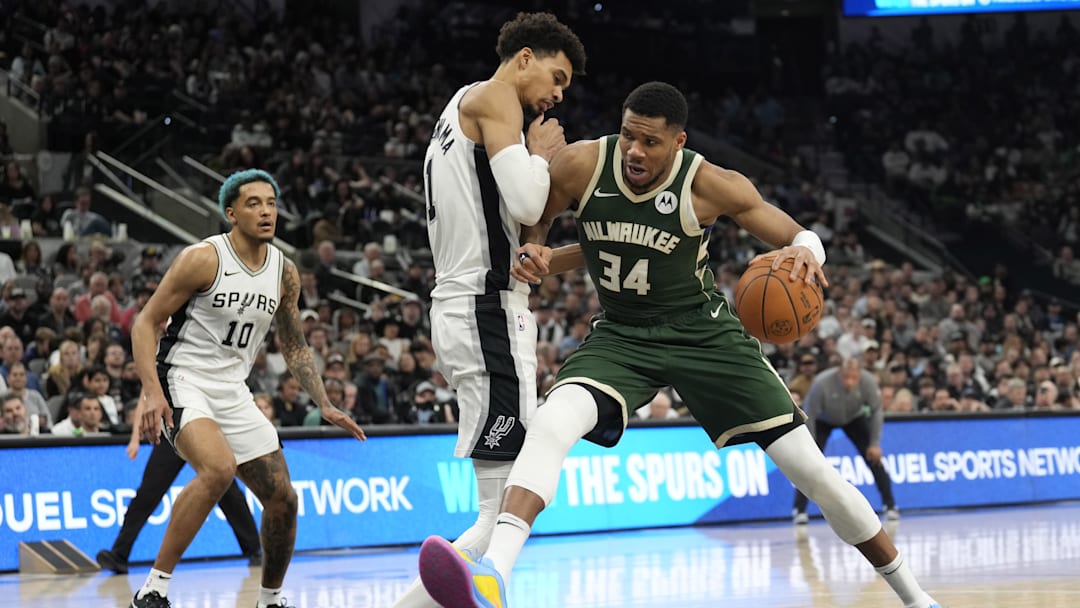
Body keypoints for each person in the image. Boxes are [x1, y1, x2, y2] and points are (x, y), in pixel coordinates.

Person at [417, 82, 939, 608]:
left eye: (650, 142)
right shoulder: (582, 165)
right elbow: (541, 221)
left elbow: (797, 233)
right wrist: (539, 249)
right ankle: (495, 576)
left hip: (704, 335)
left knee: (812, 472)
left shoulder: (710, 183)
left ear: (679, 142)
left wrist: (808, 253)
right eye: (628, 136)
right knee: (552, 421)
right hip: (622, 334)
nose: (635, 151)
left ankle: (916, 598)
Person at [390, 12, 586, 608]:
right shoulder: (498, 95)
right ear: (524, 57)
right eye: (556, 77)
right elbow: (528, 195)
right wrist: (540, 152)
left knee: (501, 510)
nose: (556, 95)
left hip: (472, 308)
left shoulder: (458, 104)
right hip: (485, 312)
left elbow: (520, 217)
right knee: (501, 511)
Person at [130, 169, 366, 608]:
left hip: (233, 388)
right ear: (231, 213)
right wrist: (152, 391)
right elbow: (145, 322)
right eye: (254, 203)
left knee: (284, 499)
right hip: (184, 378)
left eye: (272, 202)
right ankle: (152, 591)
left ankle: (270, 600)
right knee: (218, 470)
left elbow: (293, 345)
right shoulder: (203, 258)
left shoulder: (284, 272)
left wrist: (325, 402)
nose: (266, 211)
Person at [96, 402, 261, 575]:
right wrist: (135, 437)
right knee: (148, 492)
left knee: (226, 489)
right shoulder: (156, 375)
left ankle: (255, 549)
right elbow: (146, 396)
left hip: (202, 426)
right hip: (172, 429)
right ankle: (119, 553)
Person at [793, 358, 899, 524]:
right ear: (839, 373)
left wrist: (875, 443)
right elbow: (809, 414)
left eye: (854, 378)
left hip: (854, 418)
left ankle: (890, 505)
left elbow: (877, 411)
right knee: (811, 463)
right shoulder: (822, 383)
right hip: (823, 420)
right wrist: (809, 444)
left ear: (859, 375)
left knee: (874, 458)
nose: (850, 382)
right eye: (846, 378)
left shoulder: (868, 381)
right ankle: (799, 509)